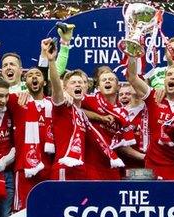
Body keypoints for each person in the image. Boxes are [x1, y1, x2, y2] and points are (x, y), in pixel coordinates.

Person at [44, 39, 124, 180]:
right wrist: (51, 61)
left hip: (81, 169)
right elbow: (56, 85)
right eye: (73, 82)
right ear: (66, 88)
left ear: (86, 88)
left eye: (81, 82)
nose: (77, 85)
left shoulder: (83, 115)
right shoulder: (63, 107)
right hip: (64, 167)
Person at [125, 47, 174, 180]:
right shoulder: (154, 96)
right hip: (154, 165)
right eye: (169, 75)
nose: (171, 77)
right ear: (164, 80)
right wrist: (132, 55)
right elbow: (132, 77)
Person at [12, 66, 55, 210]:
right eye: (30, 75)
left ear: (44, 82)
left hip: (48, 167)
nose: (34, 77)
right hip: (24, 168)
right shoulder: (17, 101)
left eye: (38, 74)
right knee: (22, 213)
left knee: (48, 211)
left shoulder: (53, 104)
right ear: (25, 81)